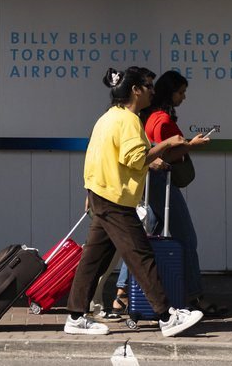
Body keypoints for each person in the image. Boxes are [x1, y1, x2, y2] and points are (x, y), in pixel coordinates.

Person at [61, 66, 205, 339]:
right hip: (116, 199)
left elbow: (97, 156)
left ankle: (76, 316)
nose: (153, 90)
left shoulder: (108, 117)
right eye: (148, 86)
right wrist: (167, 144)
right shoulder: (128, 120)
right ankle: (167, 316)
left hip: (100, 194)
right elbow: (136, 159)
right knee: (141, 256)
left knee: (92, 259)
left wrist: (88, 192)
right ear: (135, 90)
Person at [108, 70, 217, 318]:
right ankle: (194, 296)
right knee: (186, 237)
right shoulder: (160, 119)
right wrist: (191, 145)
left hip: (147, 184)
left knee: (142, 240)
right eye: (181, 92)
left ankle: (122, 296)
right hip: (160, 185)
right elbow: (163, 156)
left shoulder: (144, 117)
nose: (184, 97)